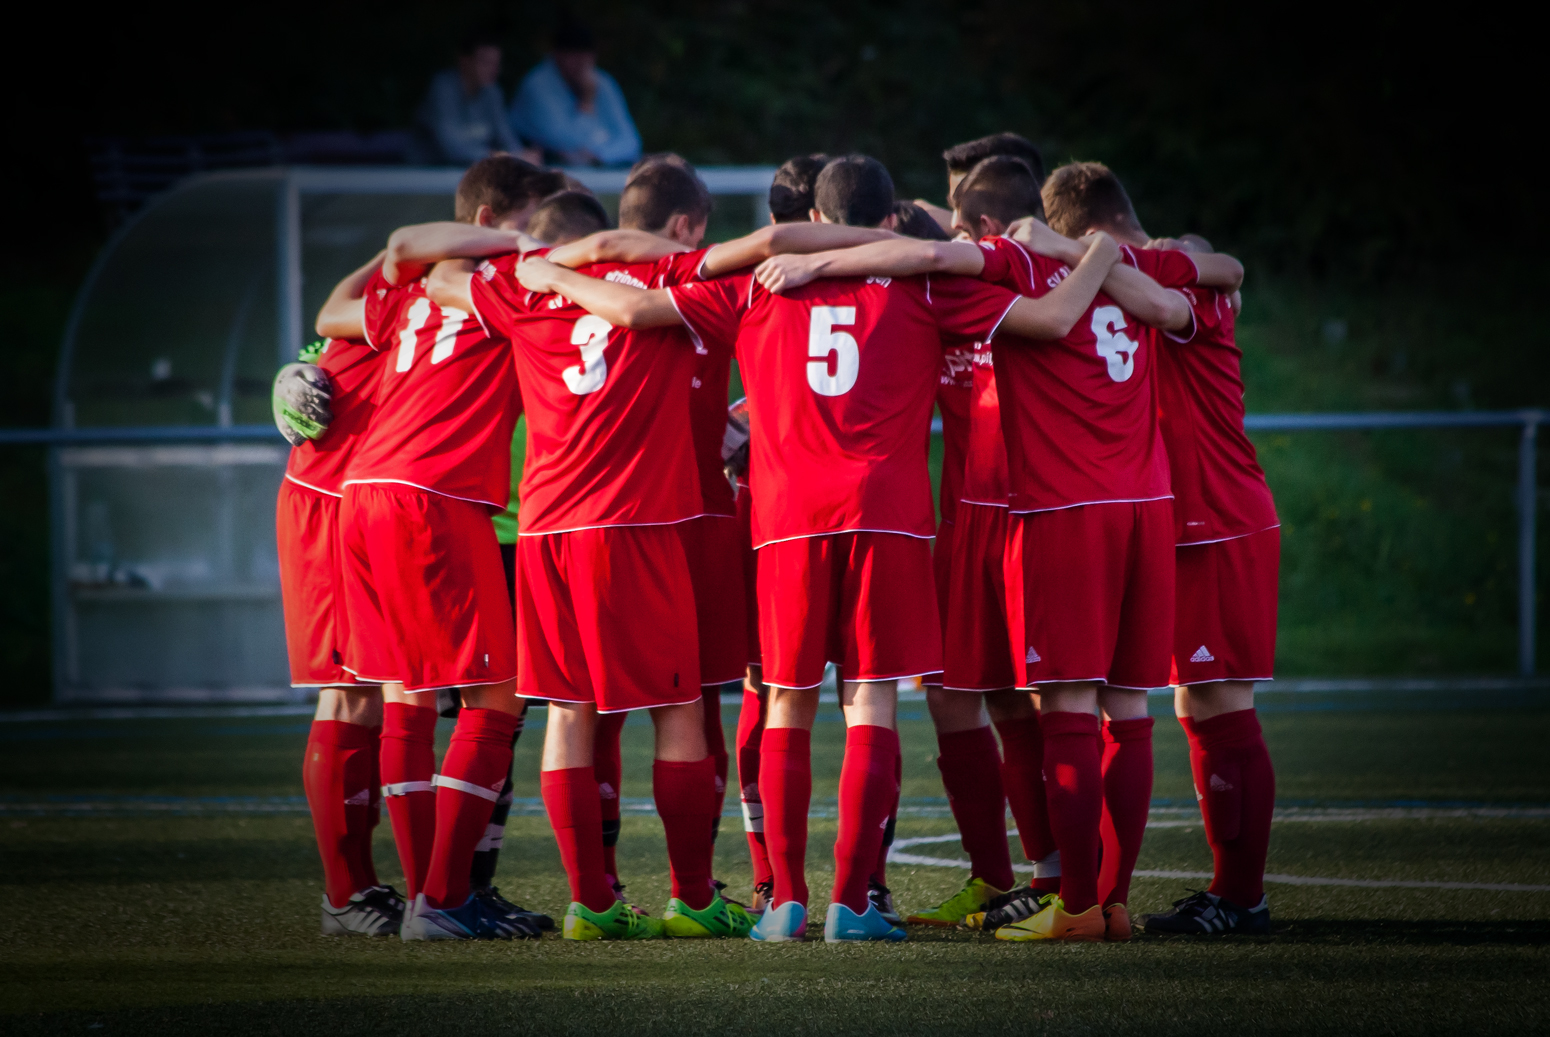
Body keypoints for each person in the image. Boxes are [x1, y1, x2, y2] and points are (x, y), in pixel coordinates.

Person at [510, 154, 1124, 944]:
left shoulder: (757, 283)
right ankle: (852, 903)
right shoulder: (920, 283)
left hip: (785, 519)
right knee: (870, 698)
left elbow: (633, 312)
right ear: (891, 218)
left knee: (786, 702)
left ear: (818, 218)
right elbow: (1050, 320)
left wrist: (552, 276)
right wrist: (1103, 254)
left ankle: (784, 900)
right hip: (888, 515)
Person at [1037, 163, 1277, 936]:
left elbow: (1202, 269)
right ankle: (1202, 892)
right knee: (1181, 701)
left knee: (1218, 702)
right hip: (1172, 518)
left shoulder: (1160, 271)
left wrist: (1074, 252)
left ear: (1088, 231)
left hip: (1217, 514)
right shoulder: (1149, 264)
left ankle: (1241, 896)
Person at [335, 156, 562, 941]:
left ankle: (433, 896)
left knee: (407, 695)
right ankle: (440, 898)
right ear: (497, 220)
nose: (540, 236)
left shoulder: (412, 290)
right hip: (435, 499)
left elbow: (349, 300)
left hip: (363, 495)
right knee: (496, 696)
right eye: (532, 219)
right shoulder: (510, 282)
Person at [274, 256, 398, 937]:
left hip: (371, 502)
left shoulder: (459, 276)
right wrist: (296, 369)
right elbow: (328, 326)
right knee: (348, 690)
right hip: (330, 501)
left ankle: (362, 884)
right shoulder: (427, 279)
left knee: (372, 691)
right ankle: (344, 893)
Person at [508, 18, 642, 166]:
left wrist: (600, 156)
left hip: (599, 171)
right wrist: (587, 102)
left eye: (586, 56)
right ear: (557, 54)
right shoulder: (536, 86)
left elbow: (631, 142)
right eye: (575, 56)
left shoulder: (602, 82)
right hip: (548, 171)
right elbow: (568, 141)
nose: (582, 64)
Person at [412, 28, 528, 166]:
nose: (494, 69)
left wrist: (523, 156)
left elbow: (505, 135)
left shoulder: (492, 92)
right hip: (425, 173)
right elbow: (452, 148)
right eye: (486, 62)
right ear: (464, 61)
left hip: (471, 171)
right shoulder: (442, 89)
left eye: (496, 63)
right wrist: (501, 156)